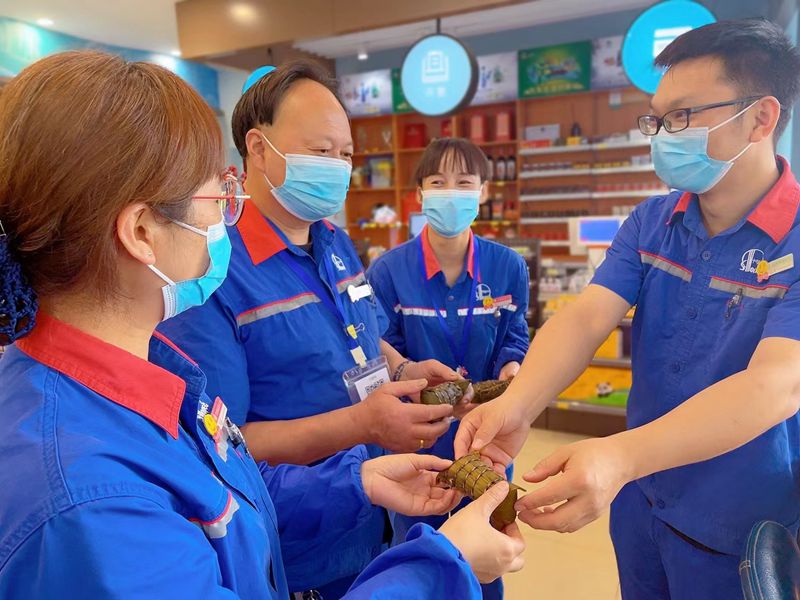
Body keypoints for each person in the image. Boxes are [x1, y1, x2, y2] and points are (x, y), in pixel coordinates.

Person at [0, 50, 526, 599]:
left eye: (345, 154)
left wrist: (356, 480)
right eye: (215, 192)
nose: (225, 214)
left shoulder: (144, 384)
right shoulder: (88, 497)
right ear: (141, 233)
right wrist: (442, 566)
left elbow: (222, 486)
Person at [455, 18, 800, 599]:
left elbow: (776, 385)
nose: (663, 135)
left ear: (761, 118)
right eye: (657, 119)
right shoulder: (651, 223)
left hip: (742, 527)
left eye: (682, 116)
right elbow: (587, 317)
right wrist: (517, 404)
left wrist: (620, 456)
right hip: (640, 506)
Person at [158, 60, 460, 596]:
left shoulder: (333, 240)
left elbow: (364, 335)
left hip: (378, 506)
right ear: (258, 148)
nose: (338, 168)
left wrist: (406, 370)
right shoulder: (212, 271)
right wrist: (363, 423)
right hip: (297, 541)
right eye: (321, 152)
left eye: (346, 154)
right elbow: (225, 443)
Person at [367, 137, 530, 599]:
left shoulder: (507, 267)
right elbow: (379, 344)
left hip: (488, 436)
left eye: (464, 182)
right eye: (438, 182)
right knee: (416, 547)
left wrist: (513, 372)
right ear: (420, 193)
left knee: (487, 548)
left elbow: (515, 333)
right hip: (417, 435)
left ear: (483, 191)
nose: (451, 193)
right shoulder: (388, 270)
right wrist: (410, 372)